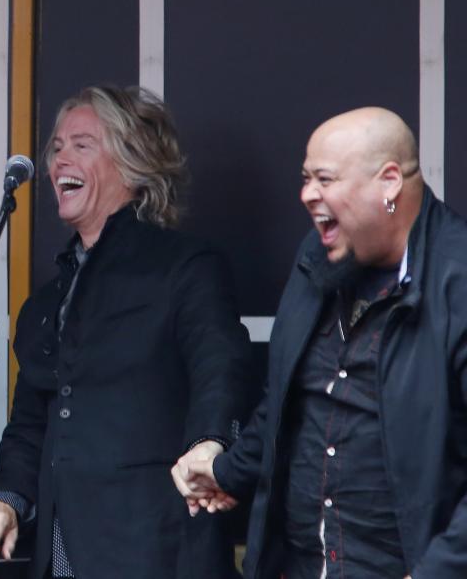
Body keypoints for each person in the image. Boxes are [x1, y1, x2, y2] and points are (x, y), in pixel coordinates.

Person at [0, 85, 253, 578]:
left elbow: (220, 368)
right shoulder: (46, 304)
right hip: (62, 553)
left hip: (156, 549)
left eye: (82, 145)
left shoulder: (184, 269)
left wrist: (211, 442)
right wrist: (5, 501)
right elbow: (30, 426)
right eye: (56, 148)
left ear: (132, 165)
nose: (58, 160)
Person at [172, 107, 467, 578]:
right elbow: (288, 399)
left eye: (324, 179)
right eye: (305, 178)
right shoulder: (317, 256)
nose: (308, 195)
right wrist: (224, 471)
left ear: (389, 182)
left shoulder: (456, 279)